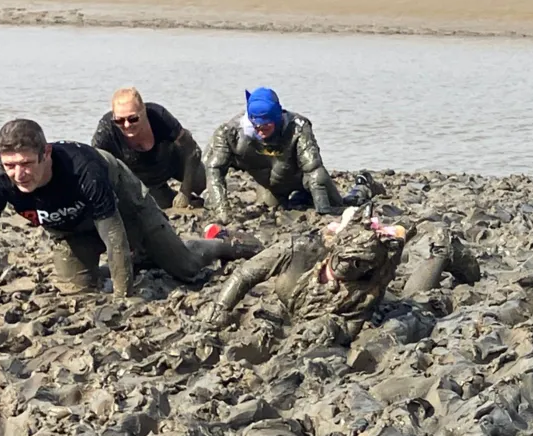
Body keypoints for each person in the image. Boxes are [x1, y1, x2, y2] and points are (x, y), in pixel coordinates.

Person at [0, 119, 259, 312]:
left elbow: (114, 236)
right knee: (76, 289)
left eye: (25, 163)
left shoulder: (83, 170)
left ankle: (221, 242)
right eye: (10, 165)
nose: (18, 174)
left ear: (46, 154)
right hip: (72, 227)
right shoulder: (2, 181)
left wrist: (122, 298)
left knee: (187, 268)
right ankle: (144, 259)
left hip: (126, 208)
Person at [203, 205, 407, 343]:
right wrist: (222, 307)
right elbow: (245, 275)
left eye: (361, 264)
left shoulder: (371, 284)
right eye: (347, 260)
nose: (351, 267)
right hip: (286, 308)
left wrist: (333, 328)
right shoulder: (299, 250)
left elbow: (353, 325)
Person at [203, 87, 366, 216]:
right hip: (270, 185)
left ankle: (363, 185)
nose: (260, 130)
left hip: (302, 179)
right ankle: (297, 200)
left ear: (276, 118)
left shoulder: (298, 127)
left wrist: (324, 210)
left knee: (341, 204)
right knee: (273, 206)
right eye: (256, 125)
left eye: (266, 125)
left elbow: (313, 169)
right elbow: (214, 169)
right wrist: (221, 211)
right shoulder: (230, 133)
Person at [91, 87, 206, 209]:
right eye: (119, 120)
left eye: (133, 119)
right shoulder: (106, 129)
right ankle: (170, 194)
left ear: (143, 111)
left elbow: (193, 150)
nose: (127, 125)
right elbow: (93, 166)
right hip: (144, 179)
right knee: (158, 207)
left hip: (172, 163)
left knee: (202, 182)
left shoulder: (160, 116)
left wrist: (185, 191)